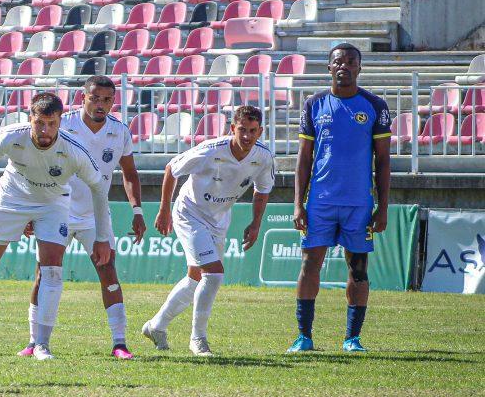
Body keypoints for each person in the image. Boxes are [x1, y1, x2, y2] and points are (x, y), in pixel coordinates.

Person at [0, 92, 112, 361]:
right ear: (30, 118)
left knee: (52, 270)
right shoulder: (11, 135)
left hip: (52, 204)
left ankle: (42, 343)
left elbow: (99, 188)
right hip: (12, 197)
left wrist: (102, 237)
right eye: (39, 123)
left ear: (59, 122)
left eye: (52, 124)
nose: (45, 131)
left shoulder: (73, 149)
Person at [17, 76, 146, 360]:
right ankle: (34, 341)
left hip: (94, 215)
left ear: (114, 101)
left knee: (108, 271)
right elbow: (35, 166)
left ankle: (120, 342)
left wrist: (137, 210)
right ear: (83, 97)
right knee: (44, 273)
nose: (100, 105)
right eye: (95, 98)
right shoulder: (63, 125)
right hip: (56, 209)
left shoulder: (120, 131)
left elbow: (129, 173)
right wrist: (30, 209)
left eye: (107, 100)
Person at [142, 106, 275, 356]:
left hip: (219, 218)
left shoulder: (263, 157)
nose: (247, 136)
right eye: (242, 130)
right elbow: (172, 168)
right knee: (213, 274)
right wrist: (164, 210)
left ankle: (156, 326)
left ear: (260, 132)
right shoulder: (210, 150)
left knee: (196, 277)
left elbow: (263, 189)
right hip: (189, 213)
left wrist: (256, 223)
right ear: (232, 129)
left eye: (253, 131)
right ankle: (198, 339)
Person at [288, 43, 391, 354]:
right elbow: (304, 159)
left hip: (359, 204)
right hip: (320, 202)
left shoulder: (375, 105)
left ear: (359, 68)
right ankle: (304, 337)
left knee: (358, 270)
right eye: (338, 62)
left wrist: (382, 207)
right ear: (328, 68)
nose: (344, 66)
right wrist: (298, 204)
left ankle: (352, 338)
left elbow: (383, 162)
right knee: (309, 265)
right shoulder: (314, 104)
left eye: (350, 62)